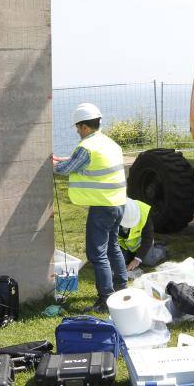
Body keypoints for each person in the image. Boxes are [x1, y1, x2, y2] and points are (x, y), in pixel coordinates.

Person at [52, 103, 127, 313]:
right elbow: (89, 163)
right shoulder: (108, 143)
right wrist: (65, 159)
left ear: (85, 127)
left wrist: (52, 164)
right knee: (113, 247)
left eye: (77, 127)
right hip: (118, 203)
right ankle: (122, 289)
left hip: (102, 207)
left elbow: (67, 169)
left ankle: (105, 299)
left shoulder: (87, 147)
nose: (77, 131)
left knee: (97, 254)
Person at [118, 198, 165, 273]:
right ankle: (133, 255)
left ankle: (160, 248)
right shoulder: (112, 214)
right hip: (124, 246)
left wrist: (137, 259)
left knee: (149, 261)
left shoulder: (143, 212)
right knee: (120, 263)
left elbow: (148, 237)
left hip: (142, 243)